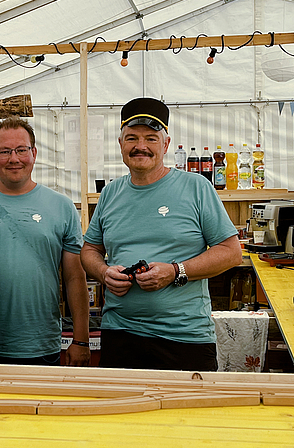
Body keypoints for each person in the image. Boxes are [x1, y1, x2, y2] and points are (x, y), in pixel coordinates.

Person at [81, 97, 242, 371]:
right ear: (120, 144)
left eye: (151, 139)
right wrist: (103, 272)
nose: (140, 146)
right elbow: (90, 250)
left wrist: (176, 271)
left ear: (165, 145)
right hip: (120, 335)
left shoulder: (196, 188)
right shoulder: (110, 194)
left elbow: (231, 252)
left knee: (188, 413)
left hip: (184, 338)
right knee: (122, 413)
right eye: (131, 138)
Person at [0, 116, 91, 367]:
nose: (14, 159)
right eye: (4, 151)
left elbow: (75, 277)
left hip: (40, 343)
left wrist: (81, 339)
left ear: (34, 153)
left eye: (21, 150)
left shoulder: (61, 206)